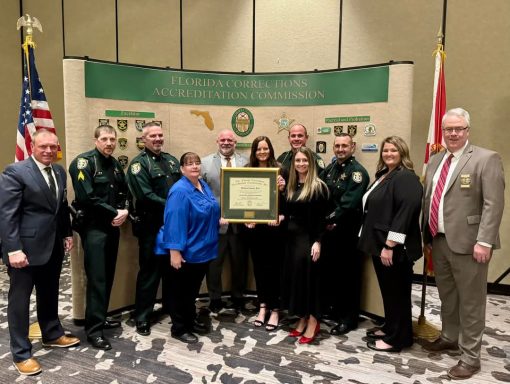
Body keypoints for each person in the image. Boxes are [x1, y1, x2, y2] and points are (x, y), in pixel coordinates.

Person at [422, 108, 505, 380]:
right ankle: (449, 335)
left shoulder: (486, 158)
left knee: (471, 303)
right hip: (440, 240)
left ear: (467, 130)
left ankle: (471, 358)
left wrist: (485, 241)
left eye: (458, 129)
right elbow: (429, 199)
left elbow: (494, 204)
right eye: (448, 129)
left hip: (471, 245)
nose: (453, 133)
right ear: (443, 132)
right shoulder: (435, 160)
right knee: (447, 296)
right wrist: (427, 235)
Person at [0, 129, 79, 376]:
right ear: (32, 146)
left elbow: (61, 207)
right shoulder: (16, 172)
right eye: (42, 146)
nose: (48, 150)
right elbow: (7, 214)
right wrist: (13, 249)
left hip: (52, 246)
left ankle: (52, 333)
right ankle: (21, 353)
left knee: (49, 293)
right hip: (23, 250)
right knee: (20, 301)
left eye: (52, 147)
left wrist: (66, 233)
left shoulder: (58, 171)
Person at [358, 136, 423, 353]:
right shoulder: (385, 175)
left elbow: (404, 215)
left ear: (402, 152)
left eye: (393, 150)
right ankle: (391, 327)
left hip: (394, 249)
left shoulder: (406, 178)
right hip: (380, 245)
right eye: (385, 150)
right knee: (389, 291)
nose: (388, 154)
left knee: (398, 293)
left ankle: (399, 338)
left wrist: (390, 245)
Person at [69, 124, 130, 350]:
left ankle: (100, 316)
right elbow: (87, 197)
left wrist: (124, 210)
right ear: (96, 140)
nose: (109, 143)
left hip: (112, 227)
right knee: (97, 279)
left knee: (108, 275)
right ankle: (94, 331)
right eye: (104, 139)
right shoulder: (83, 163)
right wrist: (116, 212)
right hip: (94, 229)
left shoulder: (114, 164)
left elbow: (124, 191)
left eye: (112, 139)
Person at [155, 152, 220, 344]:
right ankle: (179, 327)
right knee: (180, 291)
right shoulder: (180, 191)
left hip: (202, 250)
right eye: (189, 164)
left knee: (191, 291)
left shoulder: (202, 185)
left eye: (197, 163)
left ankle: (190, 321)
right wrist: (174, 252)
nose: (194, 167)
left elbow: (210, 210)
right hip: (186, 252)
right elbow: (174, 222)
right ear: (182, 169)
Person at [127, 122, 181, 336]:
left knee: (172, 270)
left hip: (173, 227)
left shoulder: (171, 160)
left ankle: (169, 306)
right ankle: (142, 316)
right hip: (151, 227)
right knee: (150, 272)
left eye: (160, 135)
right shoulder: (138, 165)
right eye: (153, 136)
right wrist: (176, 206)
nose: (158, 139)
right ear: (144, 139)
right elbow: (145, 196)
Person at [319, 134, 369, 335]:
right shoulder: (330, 170)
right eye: (337, 146)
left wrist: (330, 218)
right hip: (330, 233)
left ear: (353, 147)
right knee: (334, 274)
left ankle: (349, 319)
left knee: (349, 277)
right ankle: (335, 311)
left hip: (347, 232)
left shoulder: (357, 172)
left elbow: (349, 202)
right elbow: (320, 192)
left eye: (344, 146)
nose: (340, 149)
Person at [281, 146, 329, 344]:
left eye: (305, 161)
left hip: (308, 241)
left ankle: (313, 322)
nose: (301, 164)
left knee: (311, 283)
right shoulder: (293, 185)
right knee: (297, 281)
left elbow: (322, 218)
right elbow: (288, 211)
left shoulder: (318, 187)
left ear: (312, 163)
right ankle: (302, 318)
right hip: (292, 241)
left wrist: (318, 241)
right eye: (298, 161)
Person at [201, 129, 249, 313]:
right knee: (214, 264)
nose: (226, 143)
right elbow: (200, 192)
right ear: (217, 141)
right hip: (215, 224)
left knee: (240, 263)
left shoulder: (246, 162)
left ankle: (238, 296)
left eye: (230, 140)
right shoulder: (205, 163)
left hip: (241, 224)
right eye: (223, 139)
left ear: (235, 142)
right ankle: (214, 298)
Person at [244, 136, 286, 331]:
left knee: (274, 270)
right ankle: (262, 307)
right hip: (254, 231)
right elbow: (242, 201)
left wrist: (282, 191)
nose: (262, 152)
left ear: (270, 150)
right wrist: (245, 217)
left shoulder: (281, 169)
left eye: (265, 148)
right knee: (259, 269)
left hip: (274, 230)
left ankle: (275, 310)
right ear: (254, 151)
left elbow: (289, 200)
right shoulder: (246, 170)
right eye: (258, 149)